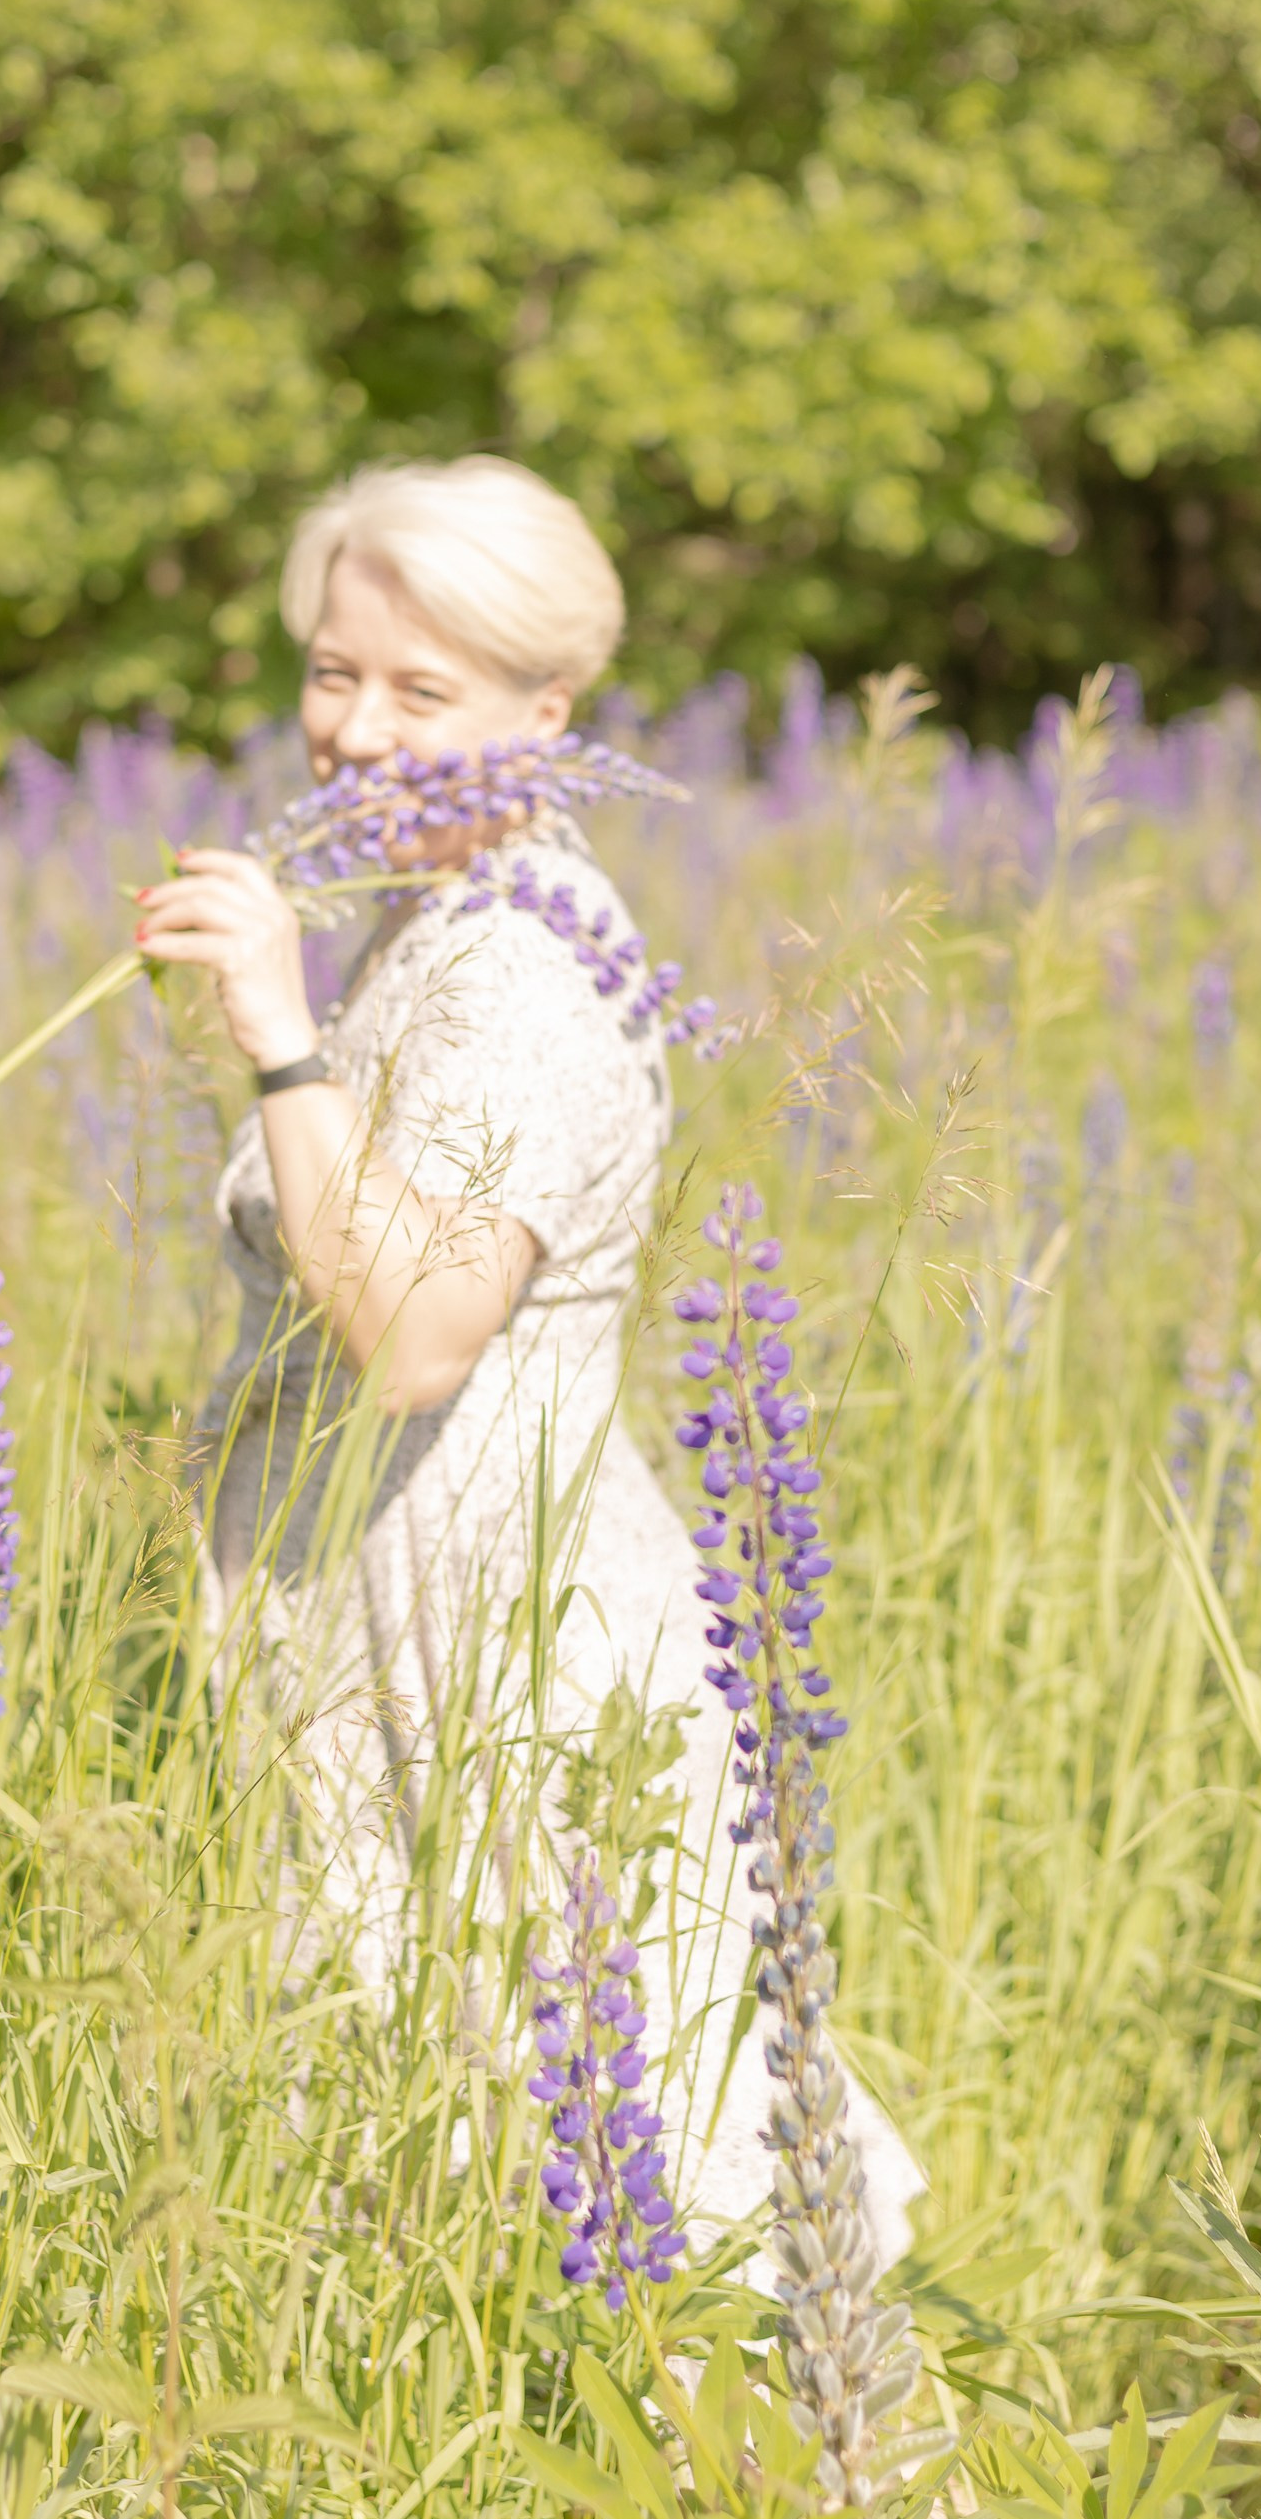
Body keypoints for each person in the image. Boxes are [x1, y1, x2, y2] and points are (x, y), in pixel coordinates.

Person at [132, 454, 921, 2270]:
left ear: (547, 717)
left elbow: (411, 1336)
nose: (355, 729)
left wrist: (271, 1031)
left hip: (502, 1634)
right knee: (443, 2195)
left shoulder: (530, 969)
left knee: (641, 2190)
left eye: (425, 693)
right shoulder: (434, 927)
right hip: (386, 1614)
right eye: (335, 674)